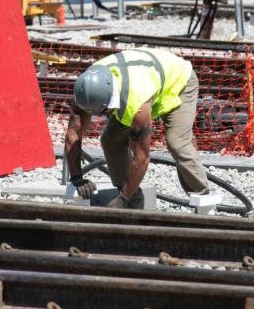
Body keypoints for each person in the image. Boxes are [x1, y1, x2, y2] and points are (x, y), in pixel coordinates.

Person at [62, 47, 209, 209]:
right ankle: (133, 200)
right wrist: (77, 178)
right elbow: (73, 134)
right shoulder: (86, 90)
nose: (104, 116)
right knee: (111, 140)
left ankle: (203, 198)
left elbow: (142, 157)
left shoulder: (135, 103)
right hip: (148, 78)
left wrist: (122, 200)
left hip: (179, 82)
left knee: (177, 142)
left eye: (106, 111)